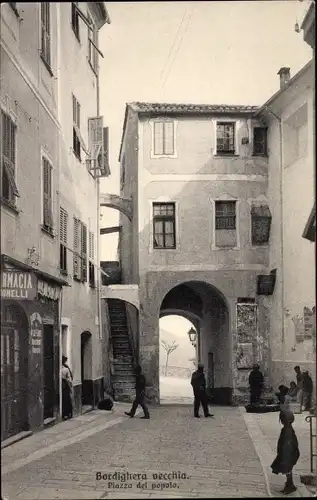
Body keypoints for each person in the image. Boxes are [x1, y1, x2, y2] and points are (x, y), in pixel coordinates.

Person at [271, 410, 300, 494]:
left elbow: (287, 445)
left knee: (287, 469)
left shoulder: (287, 431)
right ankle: (290, 485)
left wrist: (285, 457)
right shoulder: (288, 429)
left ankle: (290, 486)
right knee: (288, 470)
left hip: (288, 454)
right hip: (289, 453)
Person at [61, 355, 73, 420]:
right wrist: (70, 387)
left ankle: (65, 414)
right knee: (67, 400)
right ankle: (68, 413)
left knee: (64, 400)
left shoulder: (60, 368)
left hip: (62, 386)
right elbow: (69, 379)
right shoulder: (66, 369)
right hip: (65, 386)